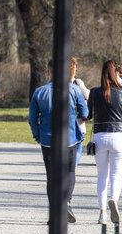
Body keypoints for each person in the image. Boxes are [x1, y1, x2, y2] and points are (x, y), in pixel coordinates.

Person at [28, 58, 88, 223]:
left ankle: (54, 212)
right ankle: (67, 202)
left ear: (48, 72)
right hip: (69, 138)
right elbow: (84, 112)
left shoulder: (39, 92)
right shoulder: (74, 90)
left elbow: (32, 119)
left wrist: (38, 135)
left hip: (48, 140)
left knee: (51, 176)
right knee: (69, 172)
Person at [87, 61, 122, 224]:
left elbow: (89, 114)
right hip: (118, 136)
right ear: (116, 74)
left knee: (102, 176)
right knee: (116, 175)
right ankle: (113, 199)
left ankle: (102, 214)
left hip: (100, 136)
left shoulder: (95, 92)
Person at [69, 57, 91, 165]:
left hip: (63, 124)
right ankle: (72, 168)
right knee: (77, 149)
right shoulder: (77, 84)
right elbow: (88, 95)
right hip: (78, 123)